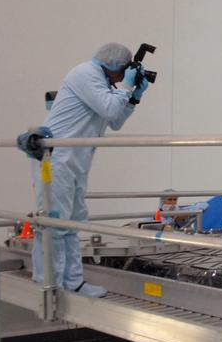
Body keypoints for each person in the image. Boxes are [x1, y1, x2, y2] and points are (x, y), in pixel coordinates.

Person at [30, 44, 149, 297]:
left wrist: (134, 97)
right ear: (117, 65)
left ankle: (72, 283)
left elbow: (115, 121)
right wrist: (126, 88)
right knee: (54, 222)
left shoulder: (104, 84)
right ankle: (48, 283)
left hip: (75, 160)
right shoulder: (85, 73)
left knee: (72, 223)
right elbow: (109, 109)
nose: (125, 76)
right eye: (126, 70)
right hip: (56, 158)